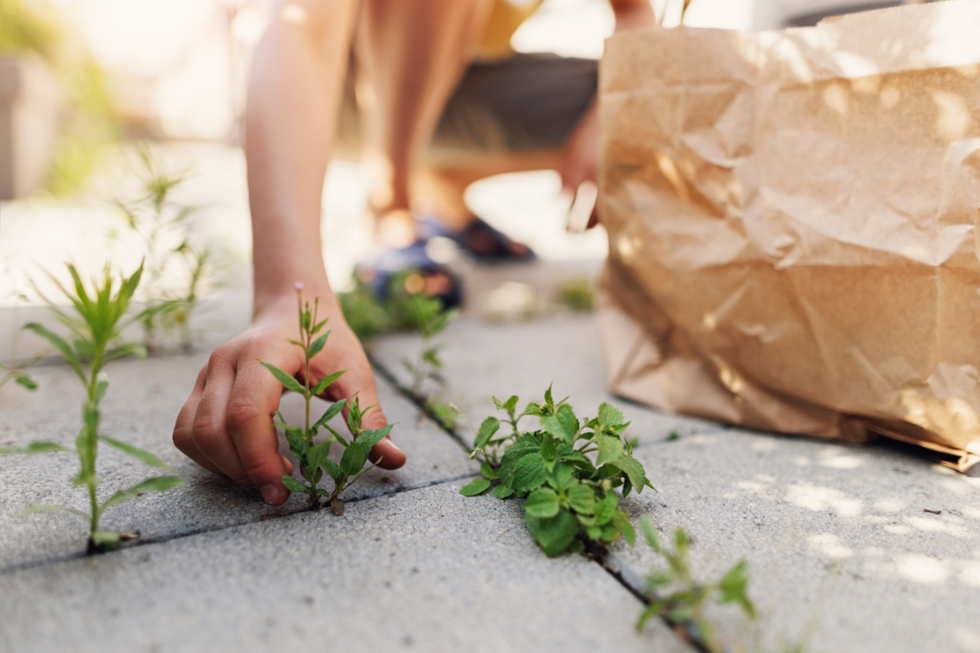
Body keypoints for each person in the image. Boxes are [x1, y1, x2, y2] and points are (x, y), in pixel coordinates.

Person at [171, 0, 656, 506]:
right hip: (320, 84)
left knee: (663, 96)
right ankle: (393, 202)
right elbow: (302, 25)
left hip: (456, 85)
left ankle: (442, 190)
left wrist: (611, 111)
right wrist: (288, 294)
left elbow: (636, 16)